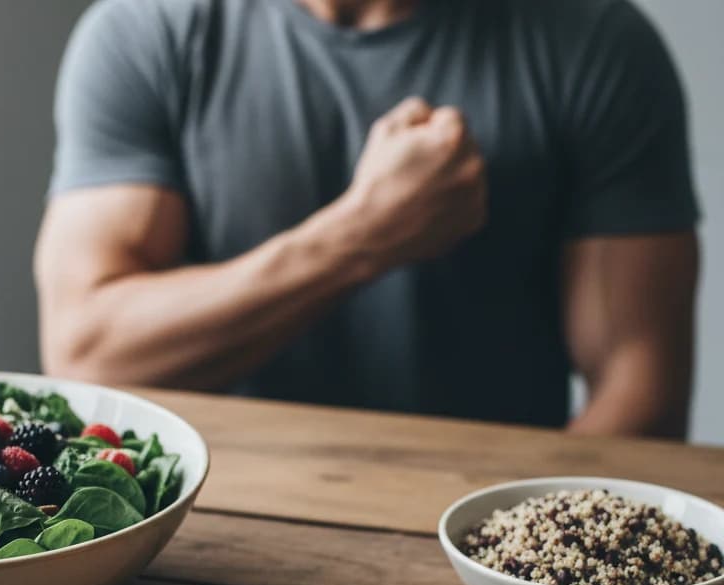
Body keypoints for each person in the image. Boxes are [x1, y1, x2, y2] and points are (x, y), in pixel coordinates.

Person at [36, 0, 699, 437]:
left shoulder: (598, 42)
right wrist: (359, 237)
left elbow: (641, 392)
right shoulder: (146, 33)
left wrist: (521, 554)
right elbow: (87, 351)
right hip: (219, 537)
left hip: (492, 536)